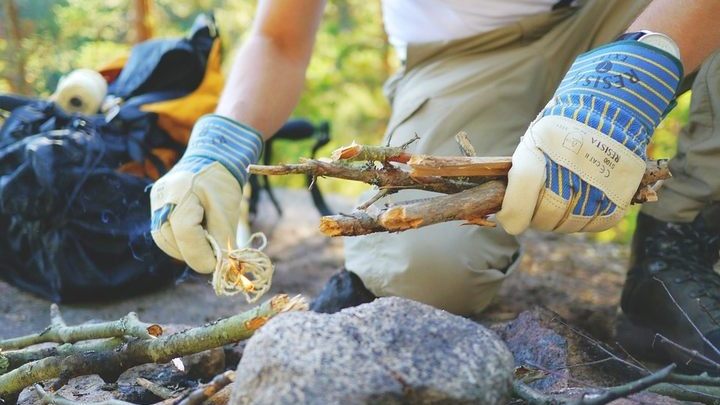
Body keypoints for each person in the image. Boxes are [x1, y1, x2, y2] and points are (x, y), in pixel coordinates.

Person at [149, 0, 720, 371]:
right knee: (420, 271)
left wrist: (643, 63)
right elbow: (279, 36)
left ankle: (678, 241)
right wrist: (221, 142)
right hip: (469, 56)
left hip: (642, 11)